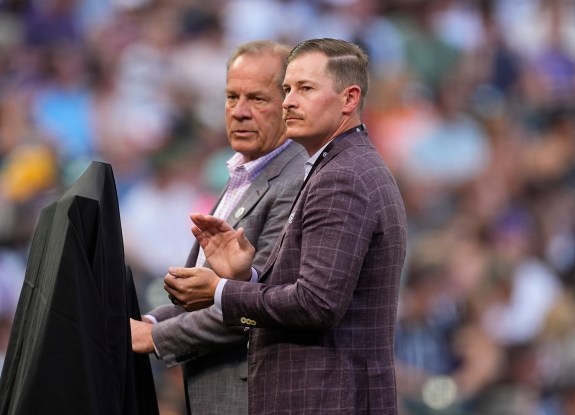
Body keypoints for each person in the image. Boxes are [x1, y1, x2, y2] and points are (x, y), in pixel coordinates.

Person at [164, 38, 408, 414]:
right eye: (286, 89)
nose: (289, 102)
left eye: (305, 89)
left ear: (350, 98)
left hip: (325, 400)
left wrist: (222, 291)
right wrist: (249, 275)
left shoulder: (341, 177)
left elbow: (316, 305)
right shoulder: (338, 168)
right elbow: (314, 291)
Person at [129, 40, 306, 415]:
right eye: (231, 97)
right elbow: (219, 295)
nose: (239, 112)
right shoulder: (243, 172)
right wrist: (149, 319)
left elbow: (260, 303)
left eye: (257, 99)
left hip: (256, 397)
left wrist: (155, 336)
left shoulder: (296, 180)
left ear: (289, 103)